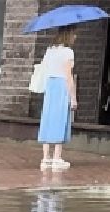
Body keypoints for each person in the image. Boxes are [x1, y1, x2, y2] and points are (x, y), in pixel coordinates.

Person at [34, 27, 77, 170]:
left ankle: (45, 157)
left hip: (50, 85)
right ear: (68, 35)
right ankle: (57, 157)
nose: (75, 36)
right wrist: (73, 97)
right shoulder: (68, 52)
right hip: (61, 86)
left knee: (47, 118)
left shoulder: (50, 50)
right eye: (73, 33)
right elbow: (68, 76)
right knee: (60, 119)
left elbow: (45, 69)